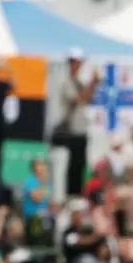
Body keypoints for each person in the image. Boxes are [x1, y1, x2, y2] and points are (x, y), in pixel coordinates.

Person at [55, 48, 100, 196]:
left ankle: (77, 193)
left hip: (81, 130)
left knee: (80, 165)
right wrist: (90, 84)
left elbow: (87, 99)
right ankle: (70, 194)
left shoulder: (79, 82)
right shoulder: (66, 82)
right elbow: (77, 99)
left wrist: (93, 85)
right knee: (72, 166)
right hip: (71, 130)